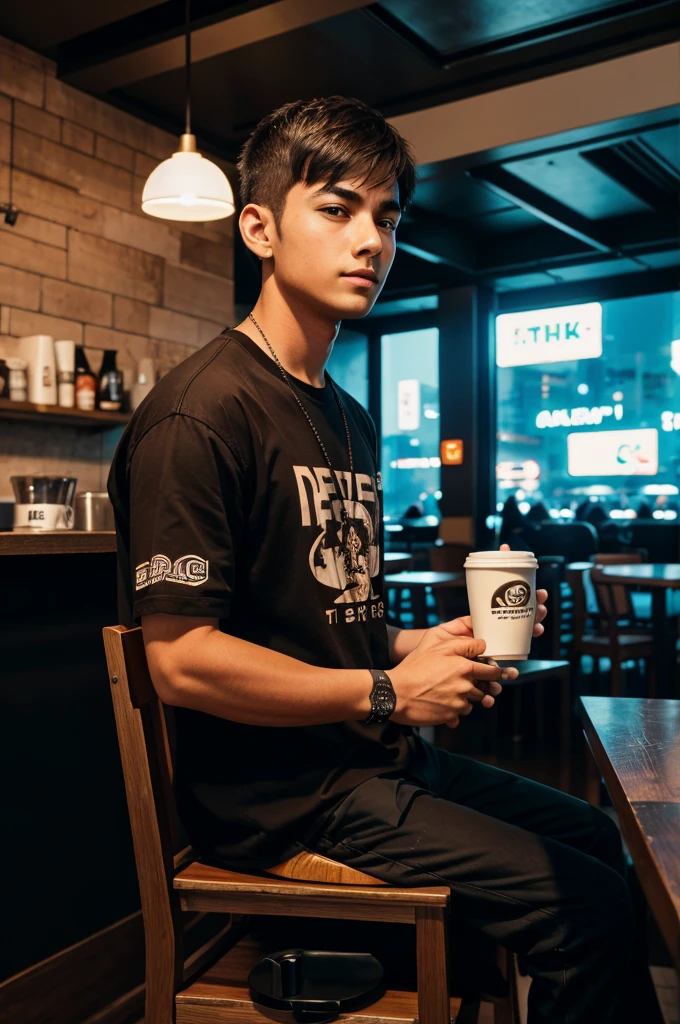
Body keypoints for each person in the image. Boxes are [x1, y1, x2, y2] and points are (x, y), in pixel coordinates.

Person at [108, 97, 661, 1023]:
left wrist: (407, 645)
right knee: (586, 906)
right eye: (336, 208)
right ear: (259, 227)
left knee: (599, 841)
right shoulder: (198, 414)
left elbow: (324, 612)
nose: (371, 239)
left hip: (371, 758)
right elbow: (181, 659)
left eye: (387, 216)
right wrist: (387, 693)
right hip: (283, 796)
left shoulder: (347, 415)